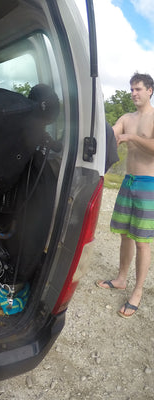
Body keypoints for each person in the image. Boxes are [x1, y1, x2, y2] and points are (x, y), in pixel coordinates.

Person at [96, 72, 154, 318]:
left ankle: (138, 291)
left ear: (150, 90)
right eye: (131, 89)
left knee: (142, 241)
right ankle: (121, 279)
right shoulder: (127, 117)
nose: (133, 93)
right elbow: (110, 133)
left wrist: (130, 137)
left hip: (148, 184)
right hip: (128, 182)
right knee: (125, 236)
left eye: (138, 89)